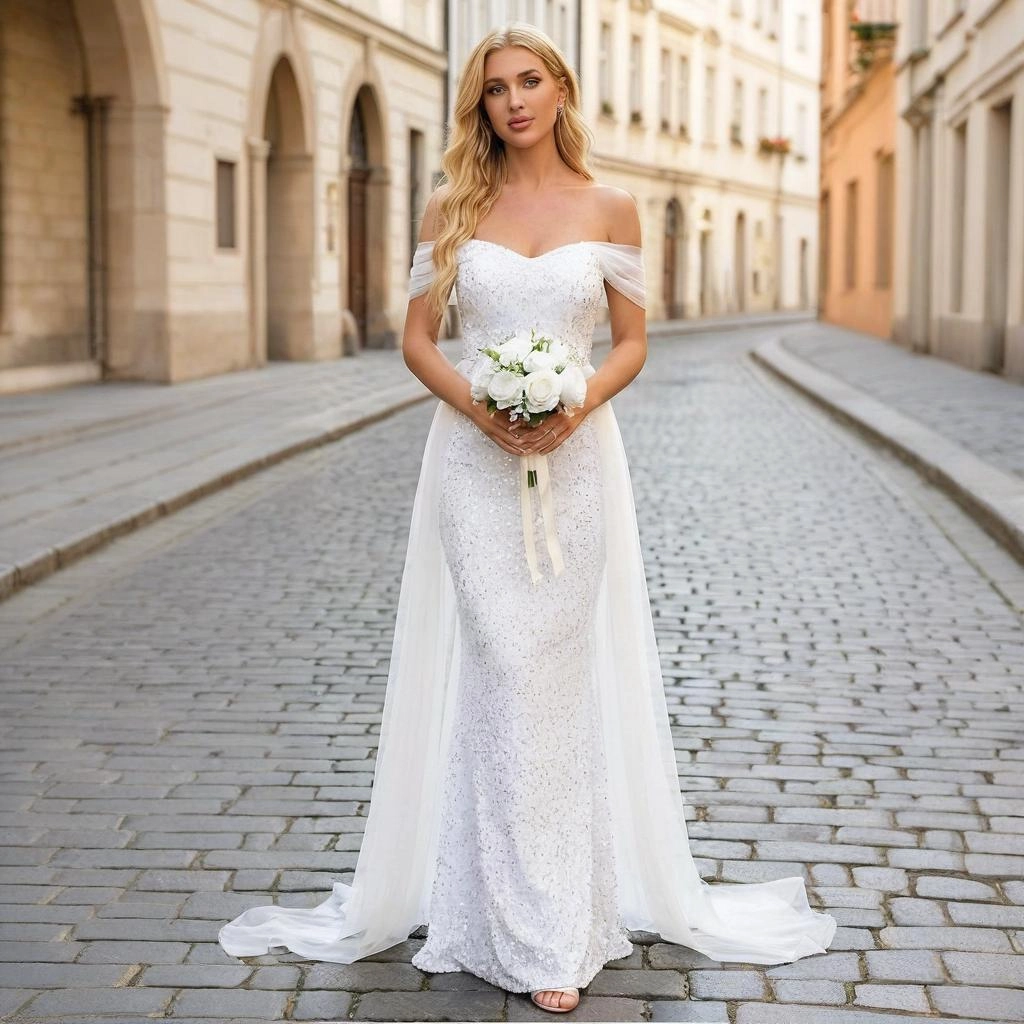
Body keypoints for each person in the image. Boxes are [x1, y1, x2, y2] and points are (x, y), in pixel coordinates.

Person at [217, 22, 837, 1014]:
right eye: (496, 87)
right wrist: (481, 407)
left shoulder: (612, 207)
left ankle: (554, 919)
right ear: (481, 106)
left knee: (550, 679)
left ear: (561, 91)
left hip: (577, 463)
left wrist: (574, 402)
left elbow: (630, 343)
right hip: (472, 465)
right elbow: (419, 342)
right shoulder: (450, 207)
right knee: (502, 668)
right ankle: (507, 916)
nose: (513, 101)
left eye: (530, 81)